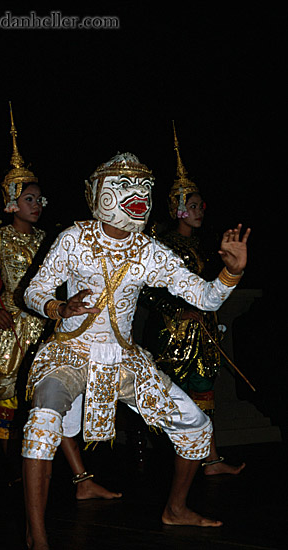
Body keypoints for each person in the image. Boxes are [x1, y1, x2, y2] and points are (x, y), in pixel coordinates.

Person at [20, 151, 250, 549]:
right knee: (41, 425)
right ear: (101, 193)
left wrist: (232, 272)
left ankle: (175, 510)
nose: (138, 194)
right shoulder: (74, 238)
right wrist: (59, 307)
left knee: (196, 426)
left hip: (123, 360)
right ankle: (37, 537)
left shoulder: (149, 250)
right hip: (70, 354)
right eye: (126, 187)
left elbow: (206, 297)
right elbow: (34, 292)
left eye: (144, 187)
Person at [0, 106, 121, 499]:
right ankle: (14, 472)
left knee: (51, 402)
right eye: (30, 198)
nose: (38, 204)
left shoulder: (49, 239)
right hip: (9, 331)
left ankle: (80, 479)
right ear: (12, 203)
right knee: (10, 406)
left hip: (47, 327)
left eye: (40, 198)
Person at [140, 124, 245, 475]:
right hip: (174, 334)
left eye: (202, 205)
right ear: (179, 209)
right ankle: (174, 463)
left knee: (204, 394)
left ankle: (211, 460)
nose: (201, 210)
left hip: (204, 333)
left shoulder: (206, 245)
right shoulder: (163, 245)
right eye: (194, 205)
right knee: (176, 398)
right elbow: (149, 291)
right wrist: (180, 310)